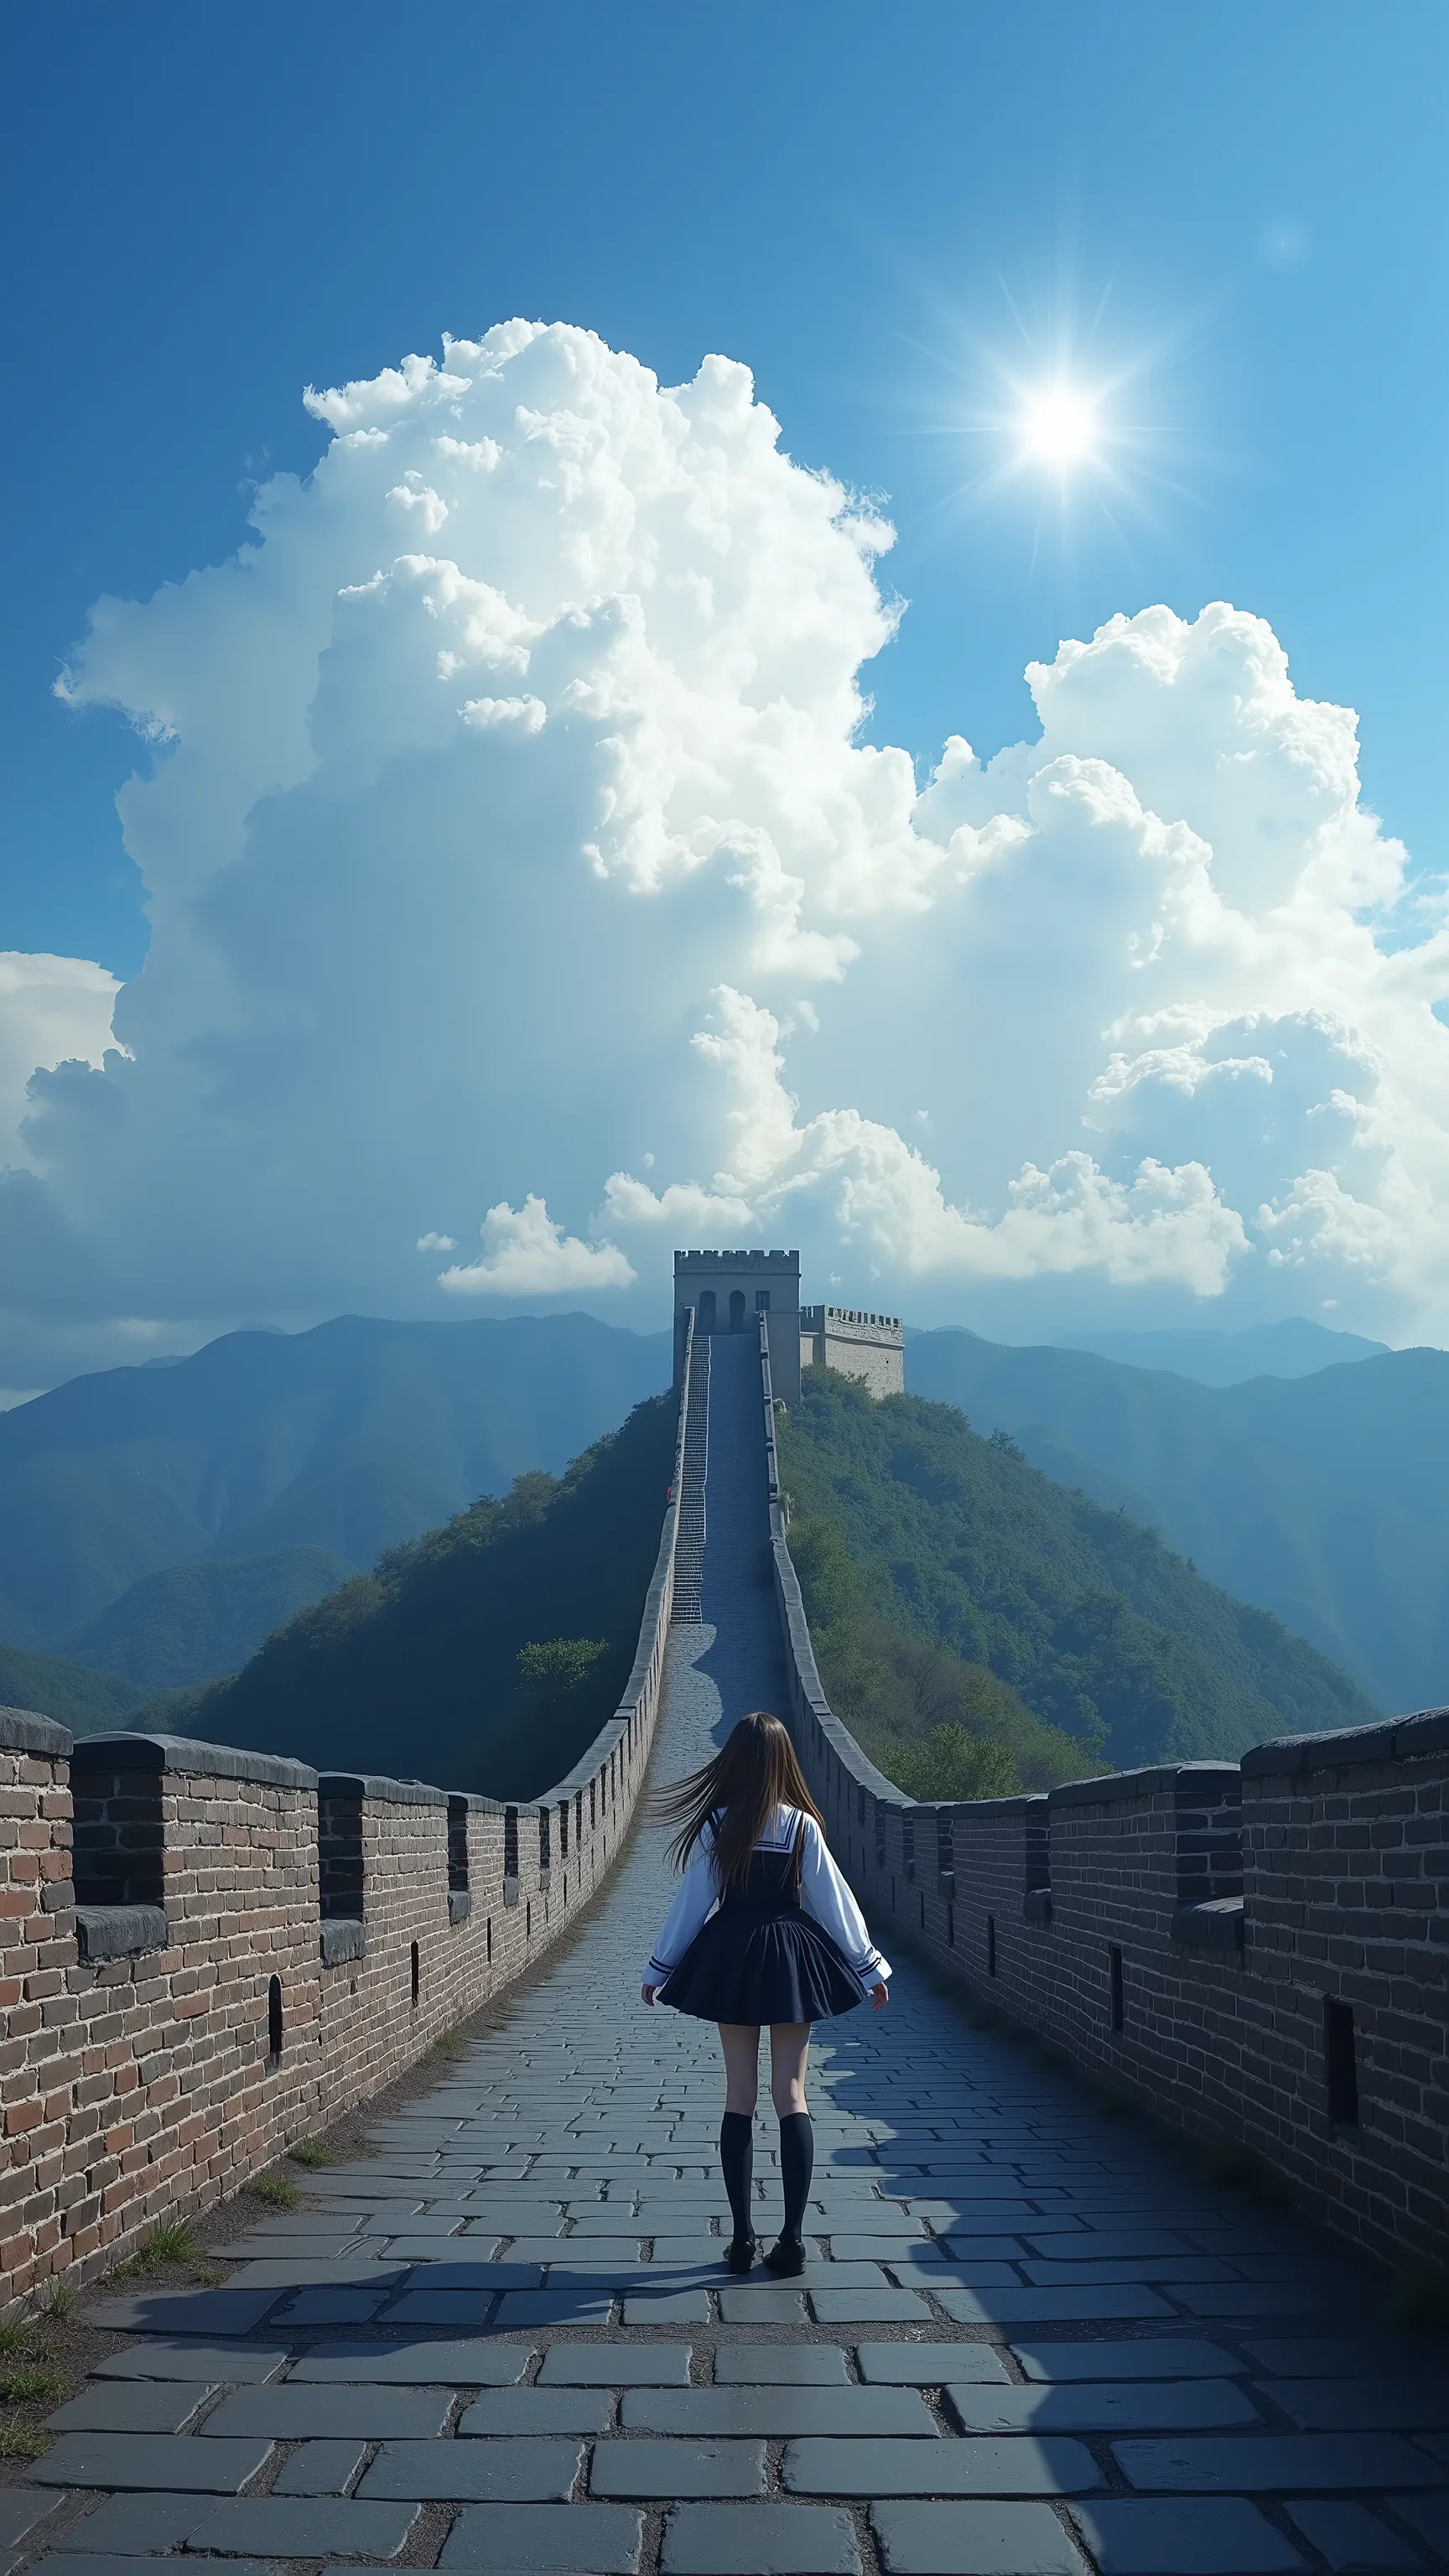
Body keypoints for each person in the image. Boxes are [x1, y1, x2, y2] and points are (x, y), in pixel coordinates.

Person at [641, 1711, 891, 2276]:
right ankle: (794, 2240)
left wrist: (658, 1969)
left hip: (730, 1954)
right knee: (792, 2094)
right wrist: (869, 1967)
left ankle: (740, 2240)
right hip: (789, 1958)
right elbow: (834, 1901)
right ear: (783, 1762)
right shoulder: (802, 1827)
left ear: (734, 1761)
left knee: (739, 2096)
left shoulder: (716, 1825)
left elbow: (693, 1903)